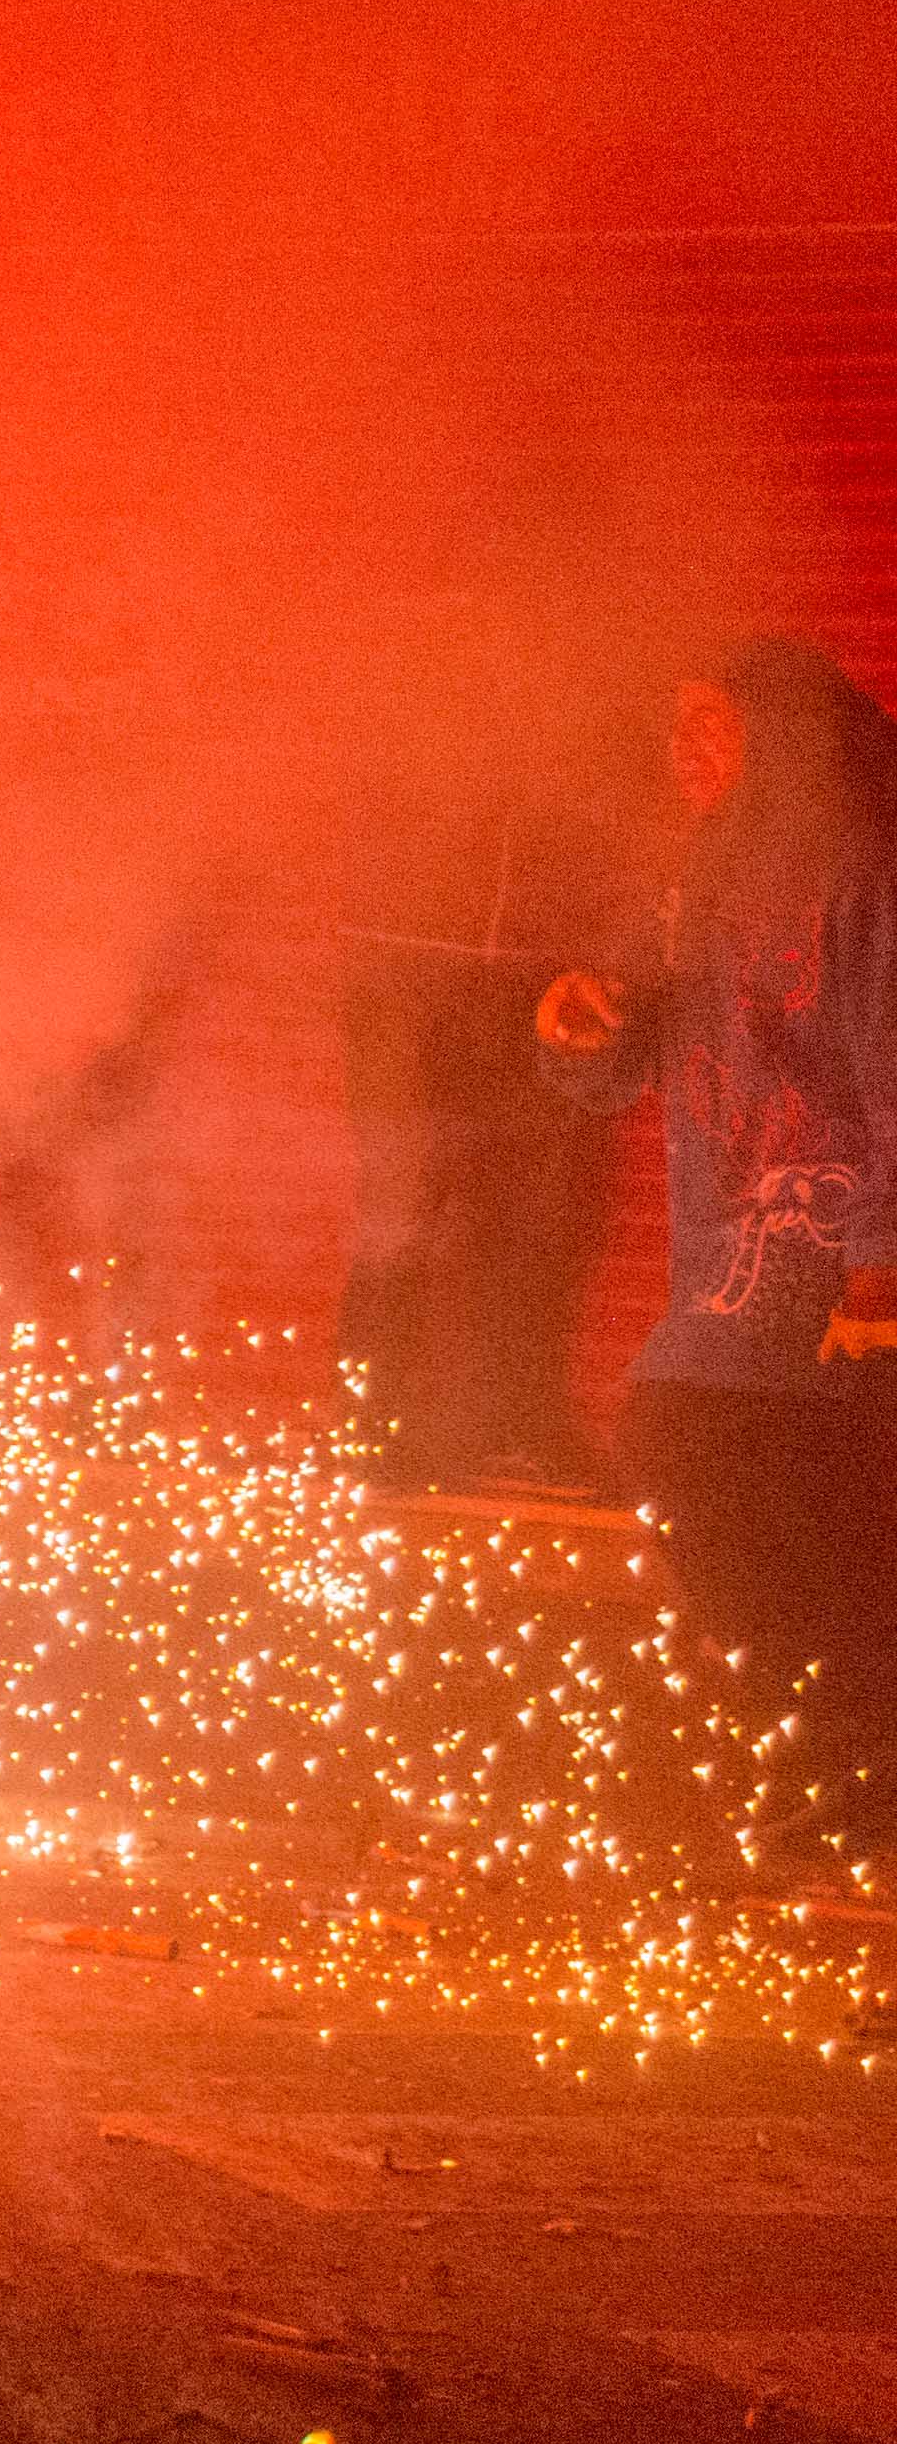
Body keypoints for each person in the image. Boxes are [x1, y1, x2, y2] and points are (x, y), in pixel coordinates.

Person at [533, 637, 897, 1795]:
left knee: (695, 1443)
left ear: (783, 737)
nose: (682, 747)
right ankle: (834, 1779)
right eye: (674, 719)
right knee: (783, 1506)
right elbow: (623, 1041)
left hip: (838, 1247)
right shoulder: (693, 878)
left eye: (714, 720)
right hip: (731, 1250)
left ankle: (836, 1771)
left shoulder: (867, 869)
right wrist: (576, 1028)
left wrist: (883, 1260)